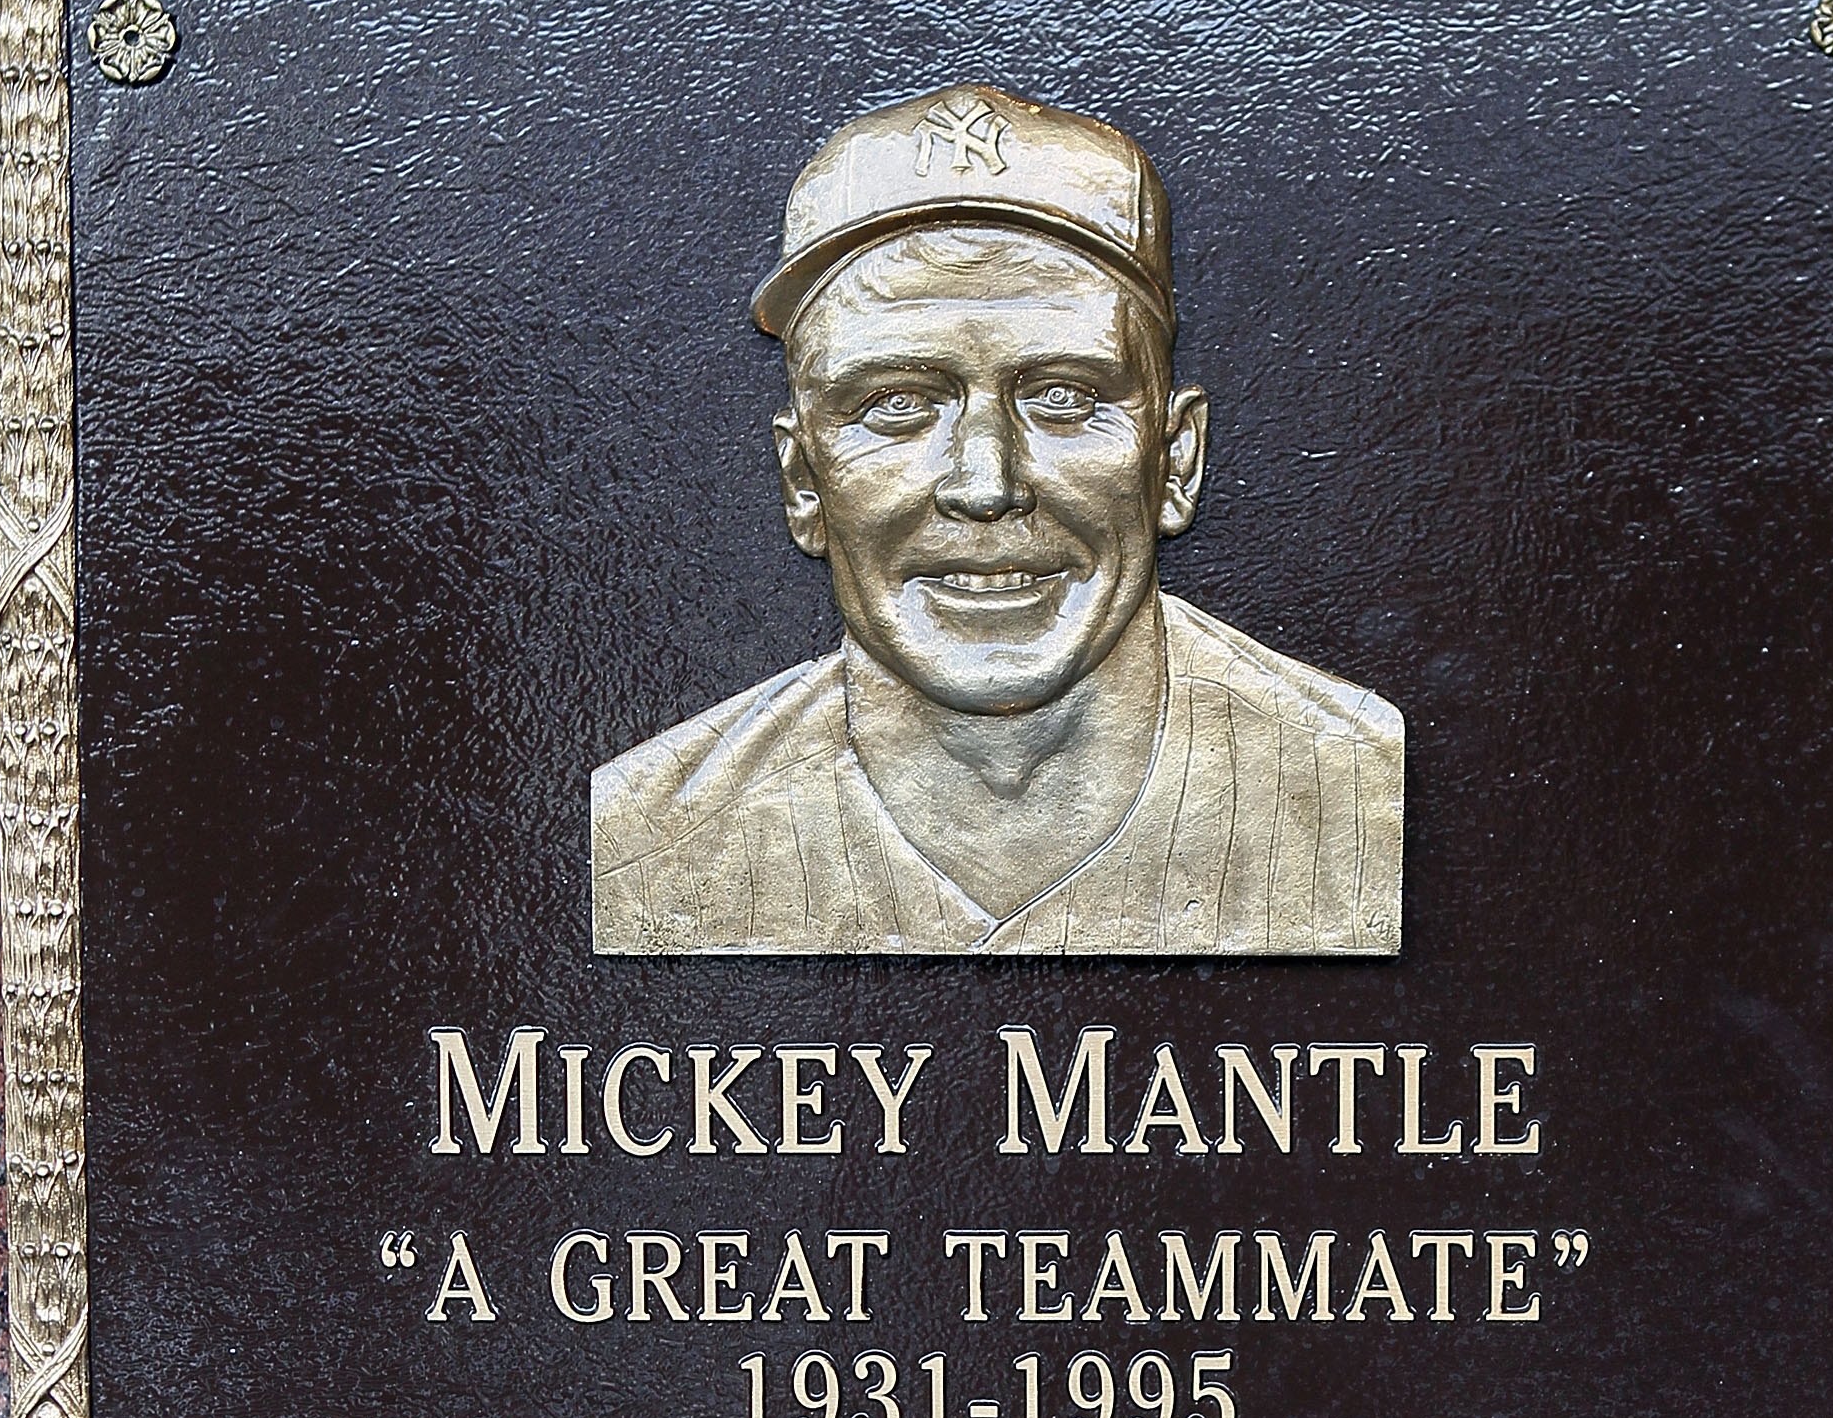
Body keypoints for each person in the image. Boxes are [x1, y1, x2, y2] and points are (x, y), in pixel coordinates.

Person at [591, 85, 1403, 956]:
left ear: (1174, 460)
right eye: (897, 403)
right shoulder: (649, 834)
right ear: (803, 479)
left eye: (1063, 397)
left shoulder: (1359, 783)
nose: (986, 484)